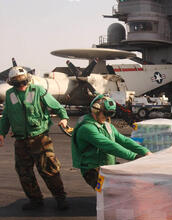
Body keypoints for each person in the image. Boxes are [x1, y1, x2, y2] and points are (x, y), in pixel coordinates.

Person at [0, 67, 69, 211]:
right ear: (12, 83)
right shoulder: (10, 94)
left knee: (49, 169)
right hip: (20, 141)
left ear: (27, 80)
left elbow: (57, 107)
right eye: (18, 83)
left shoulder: (37, 91)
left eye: (23, 82)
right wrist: (1, 133)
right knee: (24, 172)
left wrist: (64, 118)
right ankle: (35, 200)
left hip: (40, 138)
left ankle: (60, 198)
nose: (21, 86)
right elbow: (6, 116)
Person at [71, 94, 151, 189]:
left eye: (111, 114)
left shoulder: (107, 125)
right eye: (106, 113)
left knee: (127, 188)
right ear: (95, 110)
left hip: (107, 166)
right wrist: (134, 156)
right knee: (111, 193)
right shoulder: (87, 128)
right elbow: (109, 145)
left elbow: (124, 140)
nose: (107, 117)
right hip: (93, 169)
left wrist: (145, 151)